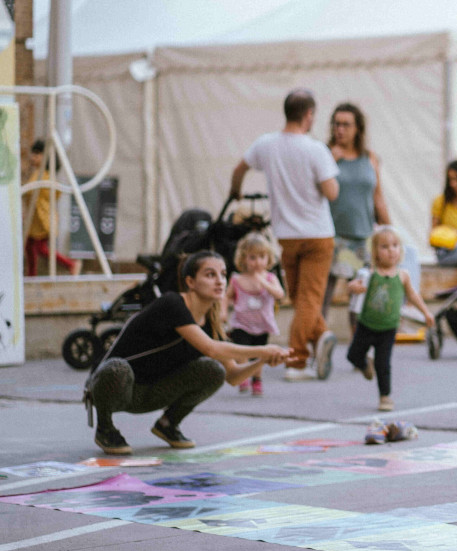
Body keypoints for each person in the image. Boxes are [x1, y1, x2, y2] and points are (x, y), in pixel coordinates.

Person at [85, 251, 291, 455]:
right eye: (210, 275)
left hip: (151, 393)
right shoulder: (172, 303)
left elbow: (233, 376)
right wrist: (263, 349)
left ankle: (168, 424)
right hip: (115, 388)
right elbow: (210, 348)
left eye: (223, 274)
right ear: (190, 282)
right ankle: (105, 428)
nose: (220, 281)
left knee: (214, 370)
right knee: (117, 368)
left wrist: (262, 360)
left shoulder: (211, 323)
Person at [231, 88, 340, 382]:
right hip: (318, 235)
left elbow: (239, 169)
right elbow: (332, 192)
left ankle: (323, 336)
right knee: (309, 298)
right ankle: (297, 361)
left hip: (286, 235)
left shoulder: (266, 145)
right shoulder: (316, 149)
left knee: (298, 296)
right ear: (309, 115)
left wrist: (236, 194)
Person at [346, 227, 434, 413]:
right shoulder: (370, 272)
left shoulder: (402, 275)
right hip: (366, 325)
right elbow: (353, 286)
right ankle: (364, 365)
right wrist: (353, 287)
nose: (391, 250)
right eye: (384, 247)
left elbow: (413, 295)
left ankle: (385, 396)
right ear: (375, 252)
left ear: (400, 250)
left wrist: (426, 312)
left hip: (388, 328)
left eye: (395, 246)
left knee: (383, 363)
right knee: (353, 355)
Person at [323, 102, 392, 329]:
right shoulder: (324, 155)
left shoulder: (370, 158)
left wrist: (390, 231)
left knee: (359, 301)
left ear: (358, 129)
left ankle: (359, 355)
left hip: (362, 239)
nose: (339, 129)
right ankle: (315, 351)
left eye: (345, 124)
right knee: (323, 298)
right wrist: (330, 161)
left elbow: (377, 197)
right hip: (331, 238)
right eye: (336, 124)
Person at [227, 233, 285, 397]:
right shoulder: (237, 279)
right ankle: (243, 376)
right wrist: (223, 310)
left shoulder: (270, 278)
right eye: (252, 257)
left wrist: (264, 283)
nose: (257, 262)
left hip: (262, 325)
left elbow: (280, 294)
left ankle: (257, 379)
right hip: (242, 323)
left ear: (268, 258)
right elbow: (227, 296)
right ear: (244, 259)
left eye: (262, 257)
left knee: (259, 354)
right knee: (242, 351)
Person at [22, 139, 81, 276]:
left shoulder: (44, 175)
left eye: (37, 155)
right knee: (30, 247)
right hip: (34, 221)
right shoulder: (39, 174)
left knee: (40, 248)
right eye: (33, 154)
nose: (33, 158)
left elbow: (33, 190)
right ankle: (32, 275)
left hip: (41, 221)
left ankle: (70, 264)